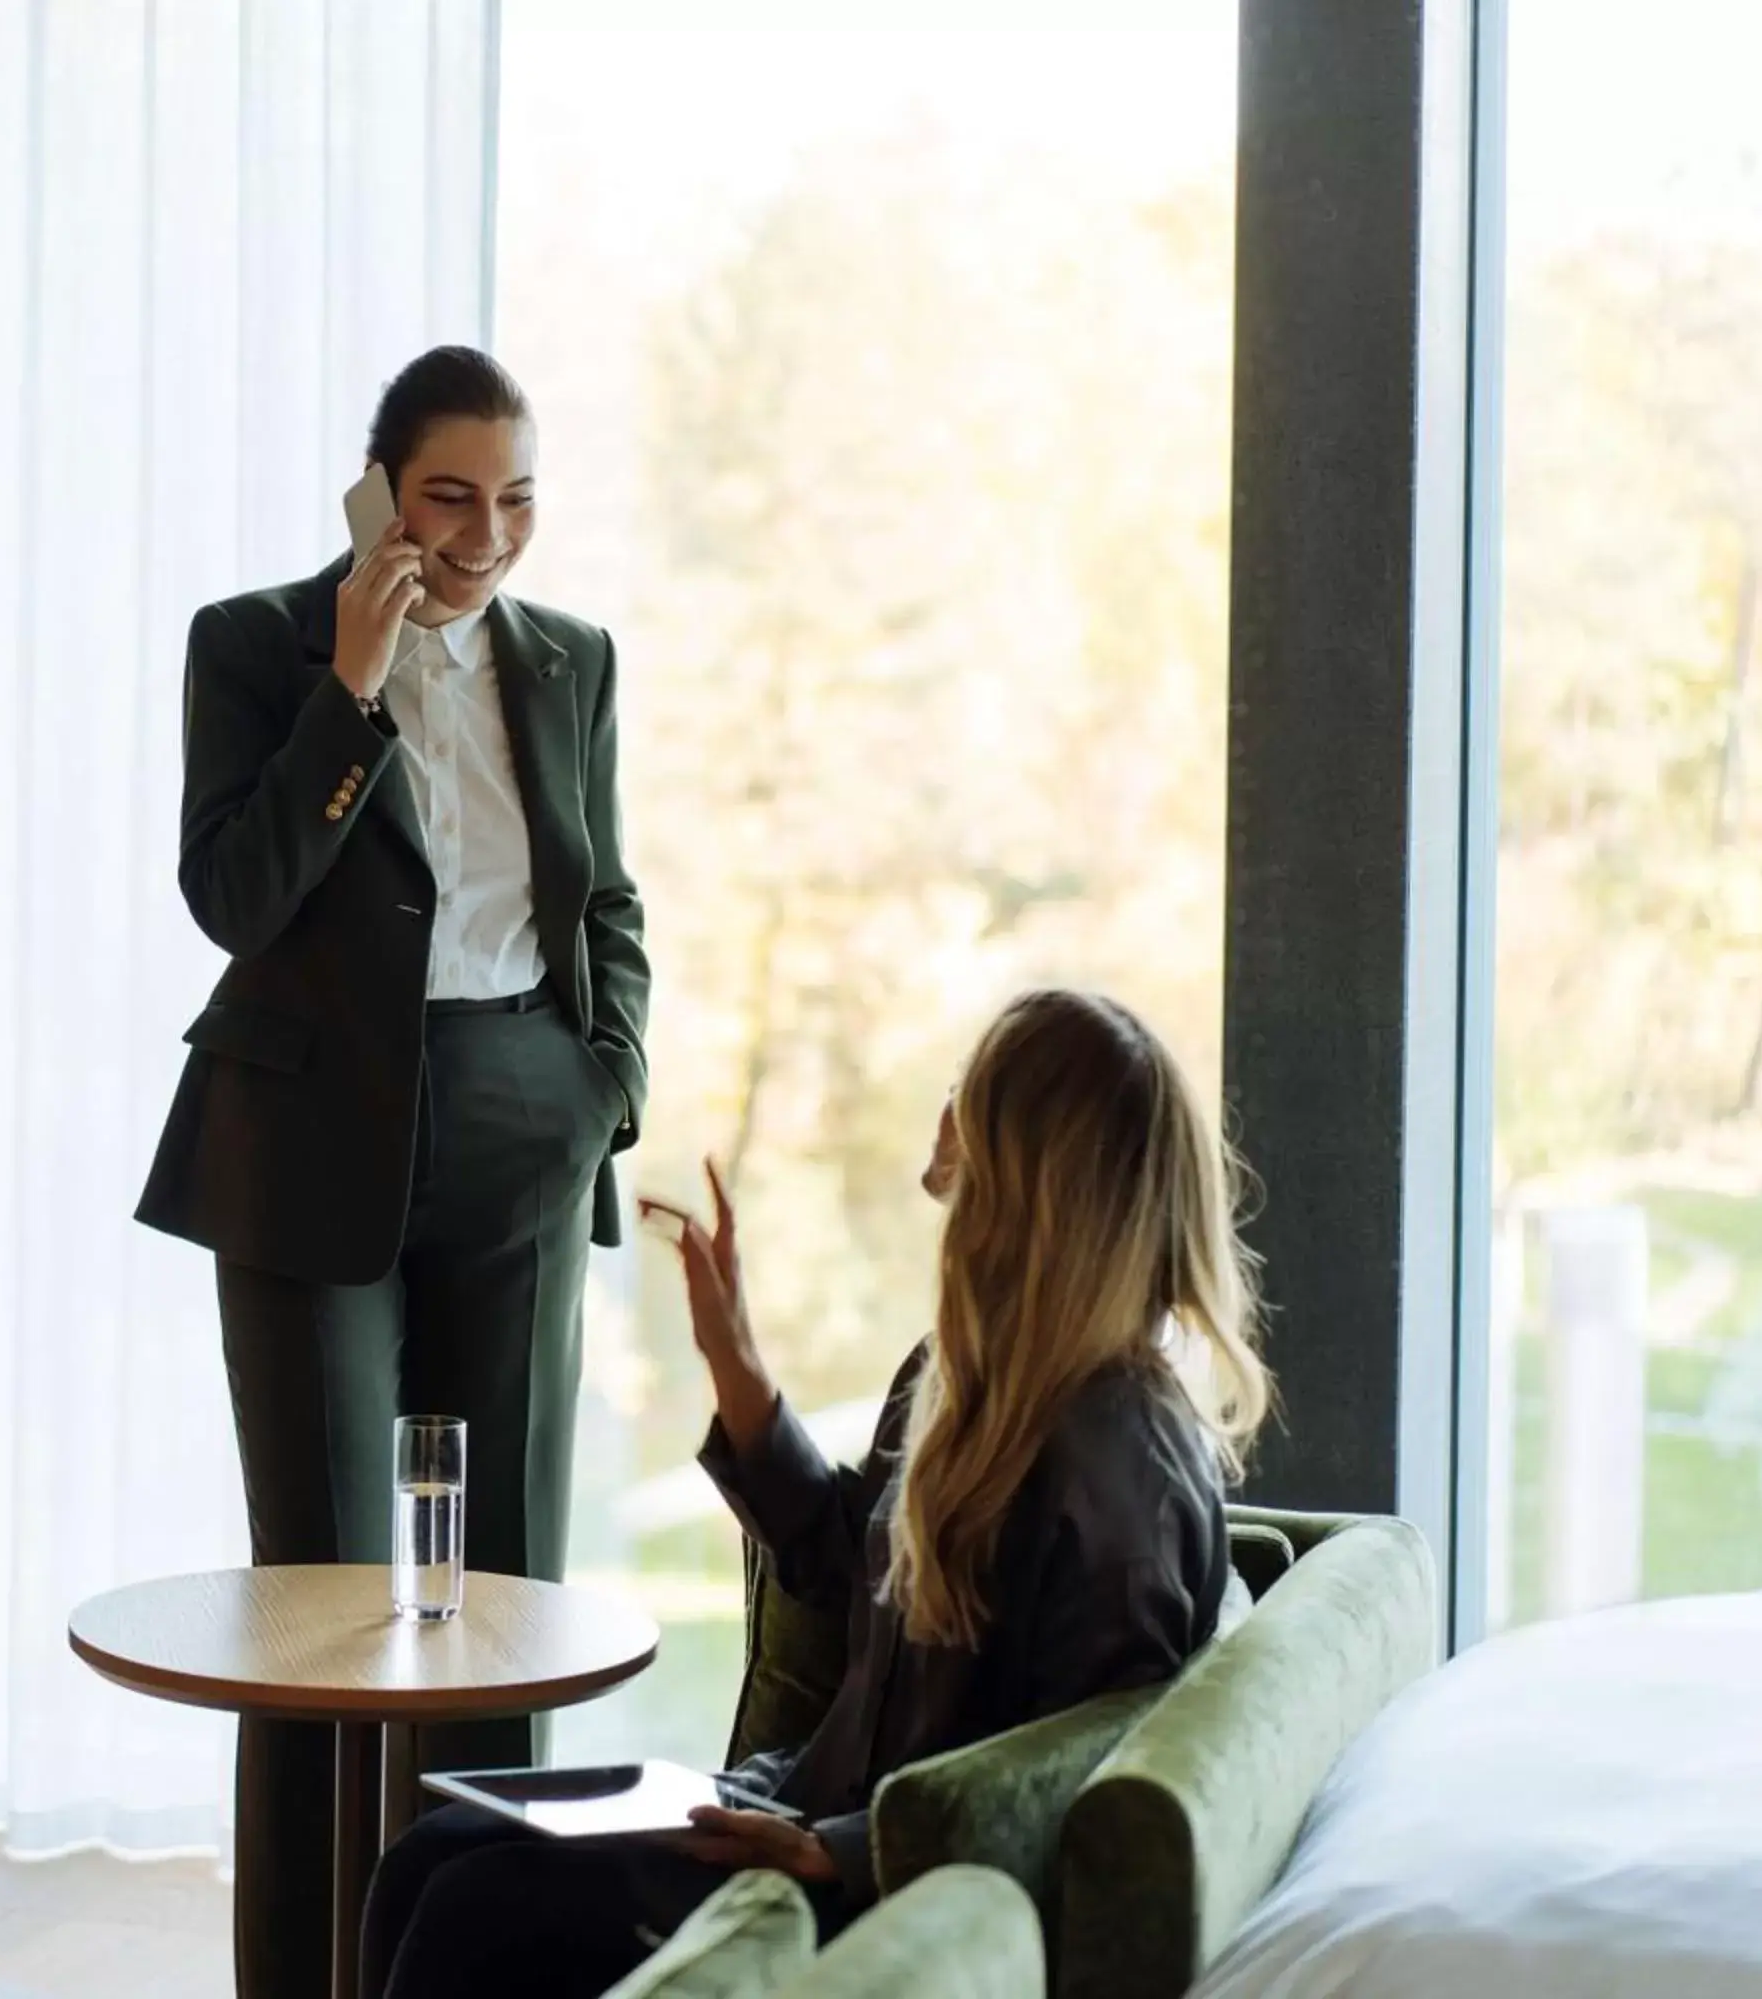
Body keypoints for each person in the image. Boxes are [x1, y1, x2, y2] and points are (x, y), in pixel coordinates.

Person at [358, 987, 1275, 1999]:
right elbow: (853, 1572)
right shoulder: (974, 1374)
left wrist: (835, 1850)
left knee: (465, 1915)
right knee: (423, 1862)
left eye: (976, 1096)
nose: (949, 1114)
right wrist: (740, 1369)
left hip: (866, 1883)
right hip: (796, 1805)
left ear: (1030, 1180)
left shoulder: (1122, 1470)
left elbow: (1065, 1776)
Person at [136, 346, 650, 1999]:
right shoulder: (257, 643)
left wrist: (604, 1086)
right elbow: (236, 894)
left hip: (519, 1113)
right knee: (325, 1596)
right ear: (376, 489)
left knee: (500, 1585)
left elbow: (608, 901)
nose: (487, 533)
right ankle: (302, 1972)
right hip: (305, 1140)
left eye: (513, 497)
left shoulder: (573, 663)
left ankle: (491, 1964)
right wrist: (347, 691)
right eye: (449, 495)